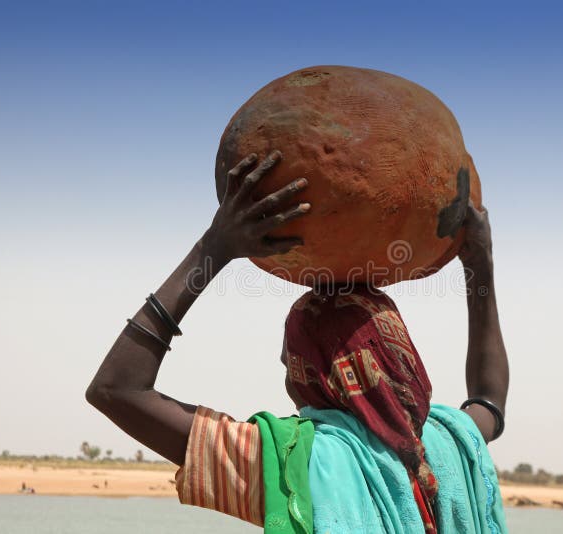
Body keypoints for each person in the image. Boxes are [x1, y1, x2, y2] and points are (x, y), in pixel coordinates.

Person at [86, 150, 509, 533]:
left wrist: (212, 249)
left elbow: (115, 390)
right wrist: (479, 265)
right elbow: (489, 398)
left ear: (318, 377)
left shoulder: (292, 464)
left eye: (290, 363)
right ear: (404, 359)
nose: (288, 382)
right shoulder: (449, 444)